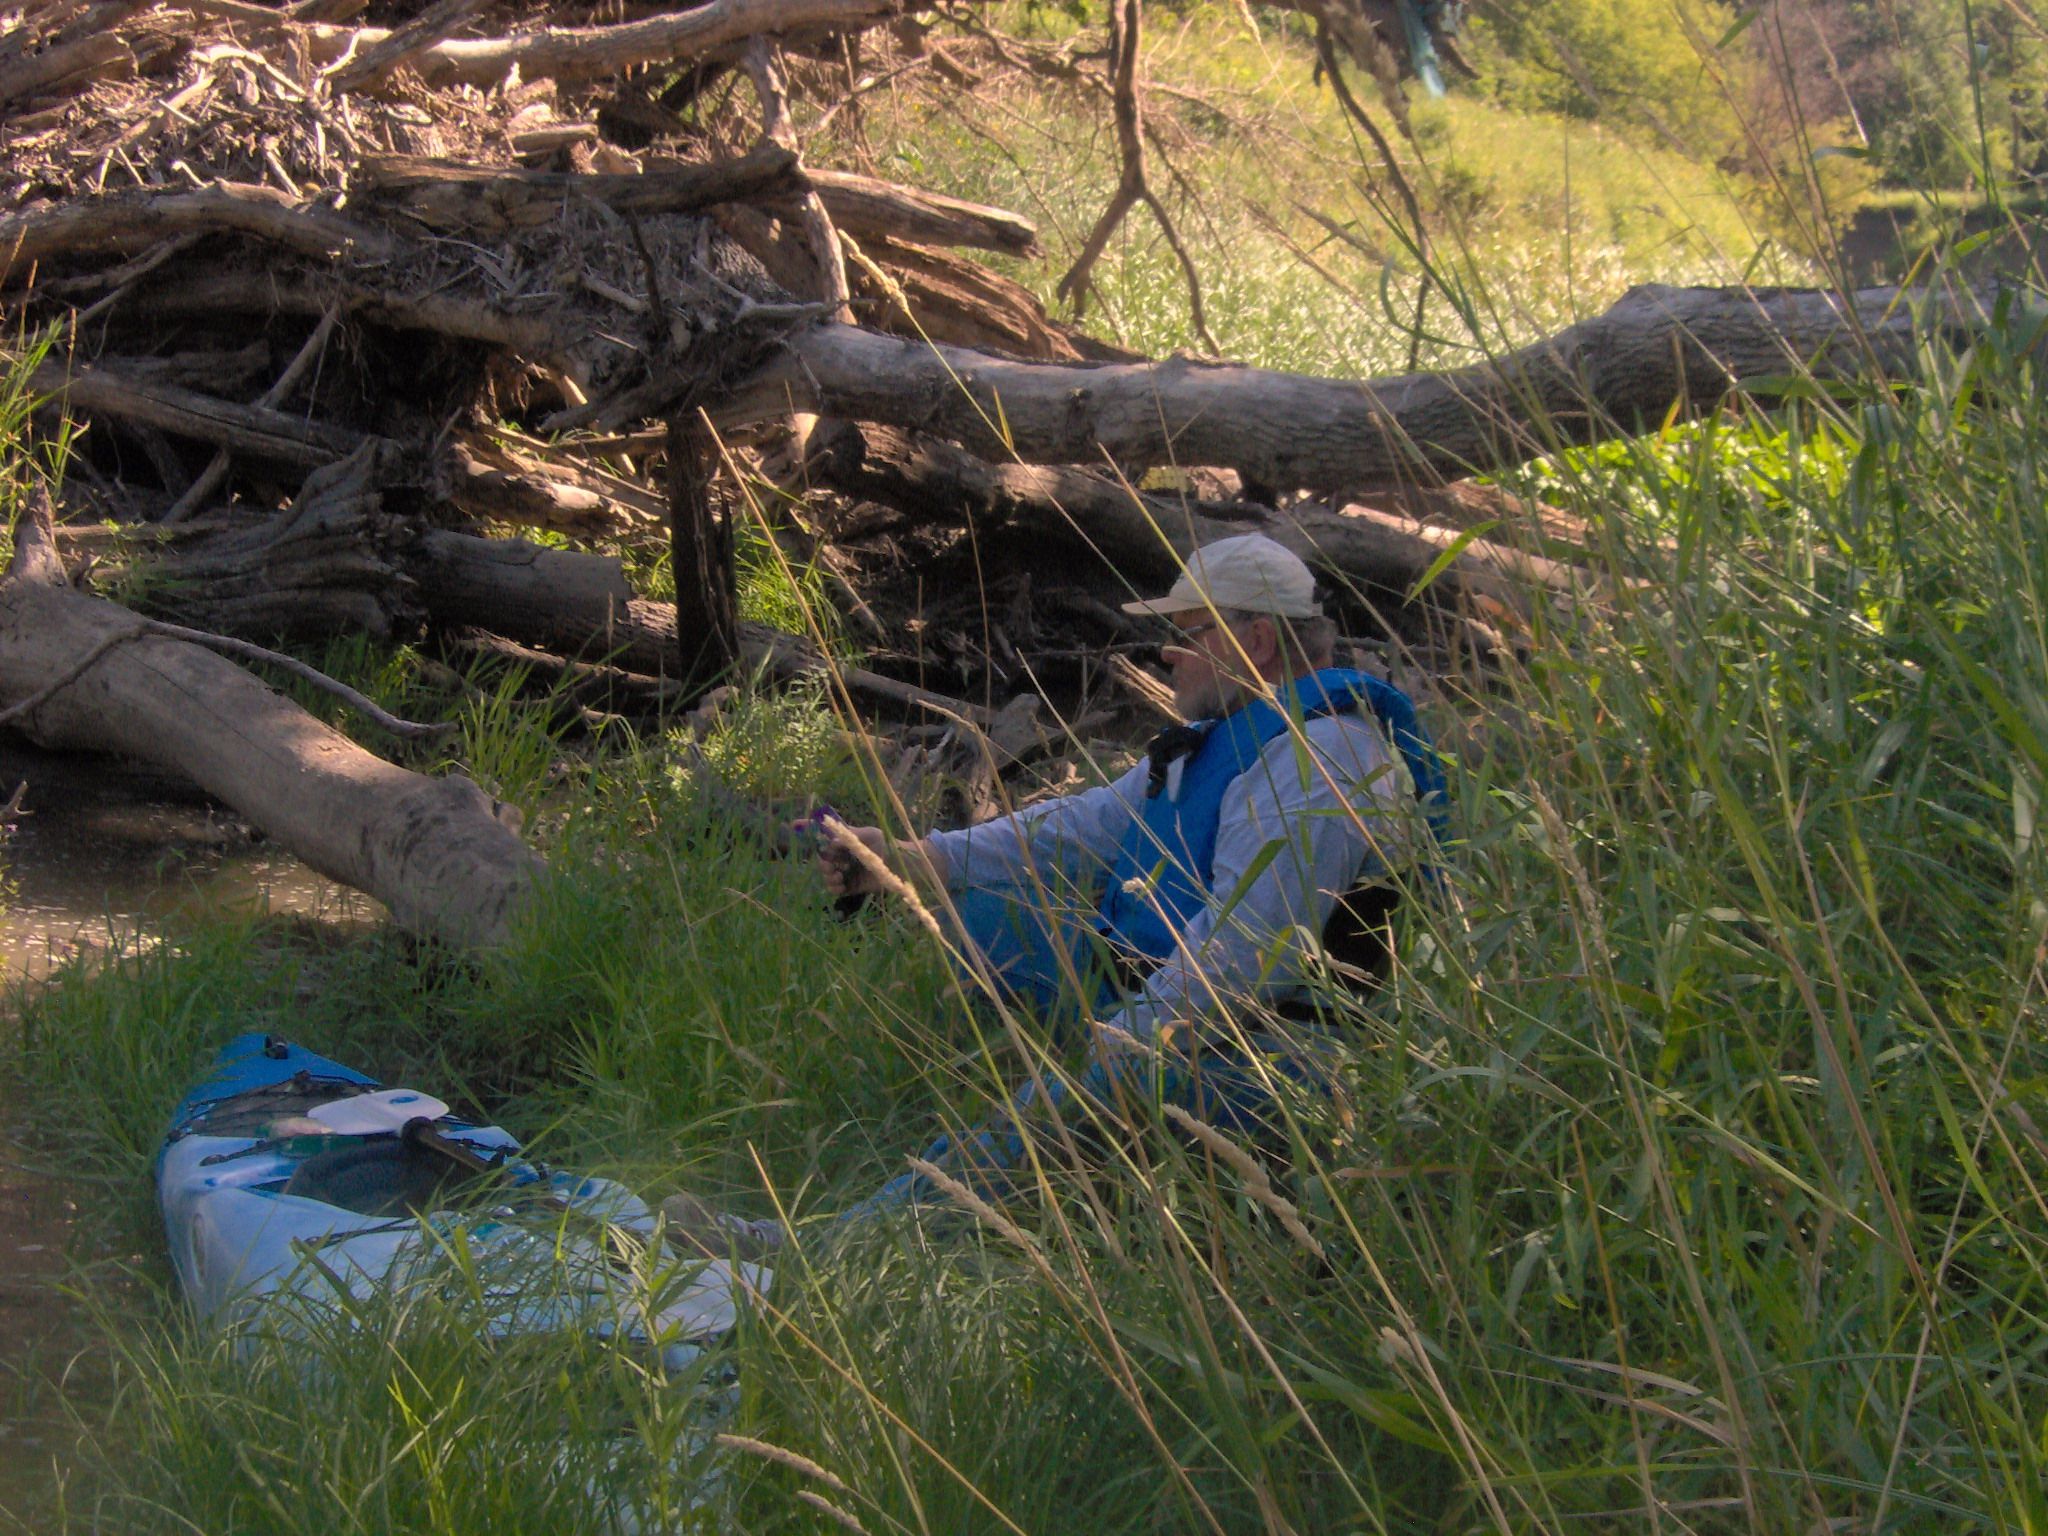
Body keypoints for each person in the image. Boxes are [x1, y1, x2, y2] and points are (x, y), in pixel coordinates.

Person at [662, 533, 1443, 1259]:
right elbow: (1082, 824)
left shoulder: (1321, 762)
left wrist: (1117, 1050)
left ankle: (843, 1248)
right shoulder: (1233, 735)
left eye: (1189, 632)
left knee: (1078, 1091)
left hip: (1290, 1063)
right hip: (1201, 1015)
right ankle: (1033, 1145)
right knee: (982, 913)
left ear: (1256, 643)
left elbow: (1246, 957)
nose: (1168, 656)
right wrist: (914, 857)